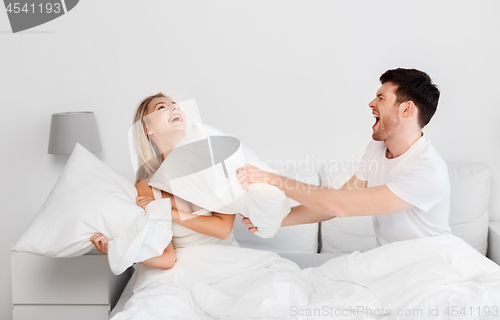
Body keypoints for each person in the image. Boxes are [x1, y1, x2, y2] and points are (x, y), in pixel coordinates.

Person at [238, 68, 452, 246]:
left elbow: (340, 205)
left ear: (406, 109)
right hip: (393, 262)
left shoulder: (427, 171)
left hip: (427, 267)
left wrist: (270, 178)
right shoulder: (375, 150)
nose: (371, 103)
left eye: (380, 97)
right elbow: (335, 203)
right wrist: (274, 220)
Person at [91, 93, 237, 268]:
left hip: (230, 260)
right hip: (187, 268)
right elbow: (167, 258)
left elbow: (223, 230)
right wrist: (117, 250)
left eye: (175, 105)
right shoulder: (146, 188)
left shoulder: (212, 162)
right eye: (162, 107)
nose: (174, 108)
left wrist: (167, 210)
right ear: (148, 129)